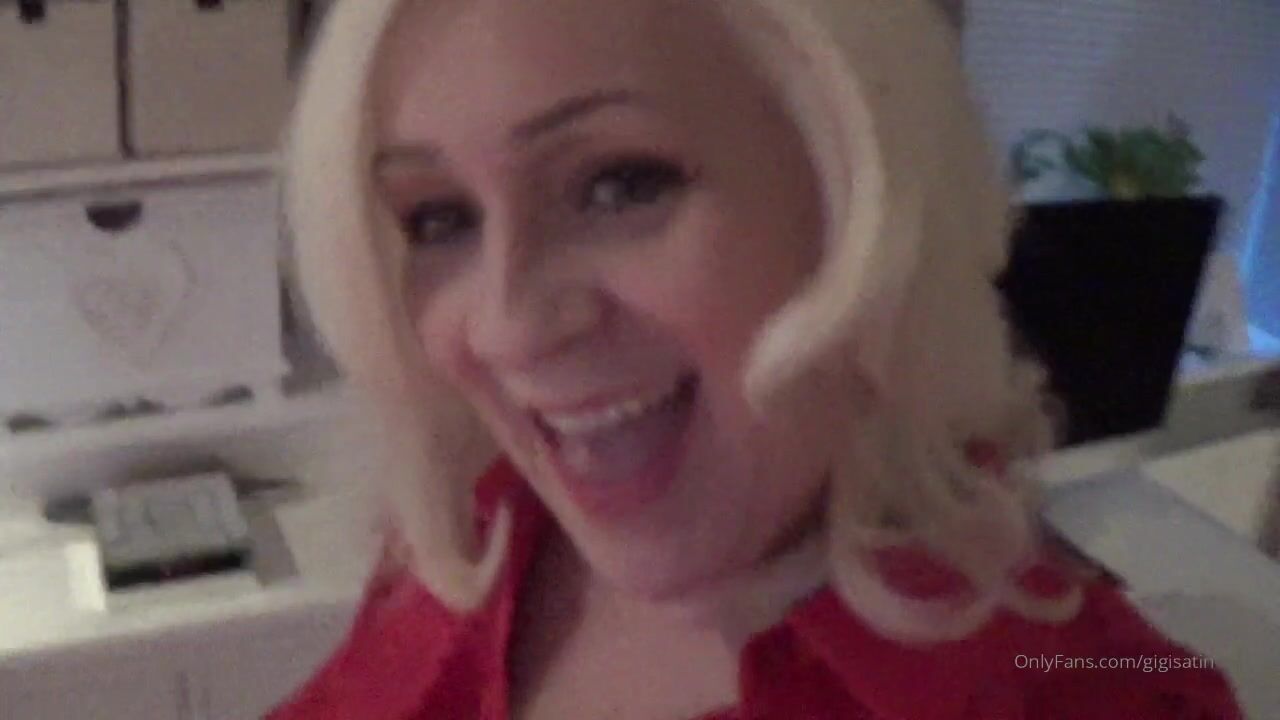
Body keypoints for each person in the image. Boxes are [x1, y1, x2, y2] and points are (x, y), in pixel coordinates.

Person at [269, 0, 1243, 717]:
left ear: (854, 191)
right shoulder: (469, 548)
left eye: (620, 183)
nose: (508, 327)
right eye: (439, 218)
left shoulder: (1087, 689)